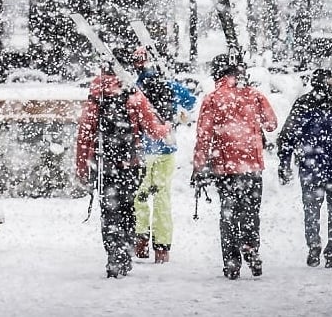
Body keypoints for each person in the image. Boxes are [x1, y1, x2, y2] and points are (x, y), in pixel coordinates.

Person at [73, 59, 172, 278]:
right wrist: (167, 127)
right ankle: (125, 252)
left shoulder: (95, 98)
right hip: (131, 165)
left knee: (109, 212)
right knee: (128, 209)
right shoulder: (134, 96)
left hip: (105, 165)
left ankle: (113, 256)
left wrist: (81, 167)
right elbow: (153, 131)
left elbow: (84, 137)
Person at [191, 54, 278, 280]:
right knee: (250, 210)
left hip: (225, 166)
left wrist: (198, 166)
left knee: (228, 213)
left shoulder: (212, 99)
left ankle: (231, 262)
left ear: (216, 74)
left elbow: (204, 136)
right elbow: (271, 124)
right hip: (252, 165)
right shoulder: (254, 95)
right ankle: (250, 245)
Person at [277, 68, 332, 268]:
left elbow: (288, 135)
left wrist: (284, 161)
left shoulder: (304, 103)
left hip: (310, 165)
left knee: (311, 210)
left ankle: (314, 246)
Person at [131, 47, 197, 264]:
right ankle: (162, 248)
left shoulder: (134, 88)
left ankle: (140, 239)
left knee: (139, 196)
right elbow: (190, 101)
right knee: (162, 198)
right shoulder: (169, 85)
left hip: (142, 151)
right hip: (166, 149)